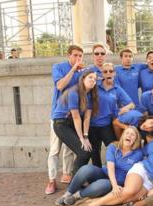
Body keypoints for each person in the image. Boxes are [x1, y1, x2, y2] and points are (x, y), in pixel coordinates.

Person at [74, 126, 153, 206]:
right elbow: (137, 152)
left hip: (151, 182)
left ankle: (95, 200)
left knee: (128, 198)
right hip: (141, 170)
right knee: (130, 190)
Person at [55, 126, 143, 206]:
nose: (129, 136)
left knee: (103, 184)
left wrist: (116, 186)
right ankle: (68, 193)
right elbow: (110, 167)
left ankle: (76, 196)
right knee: (86, 169)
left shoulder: (138, 154)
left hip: (115, 183)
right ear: (123, 136)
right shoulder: (113, 146)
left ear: (136, 140)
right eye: (127, 133)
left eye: (133, 135)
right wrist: (115, 184)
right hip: (105, 173)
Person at [45, 44, 85, 195]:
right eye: (75, 55)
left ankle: (67, 174)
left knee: (69, 149)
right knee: (55, 149)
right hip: (57, 116)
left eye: (80, 56)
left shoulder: (82, 72)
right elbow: (60, 85)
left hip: (72, 116)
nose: (78, 58)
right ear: (69, 56)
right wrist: (73, 69)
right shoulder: (58, 67)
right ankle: (51, 180)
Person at [53, 69, 98, 176]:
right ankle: (75, 181)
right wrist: (81, 139)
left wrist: (86, 136)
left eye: (95, 79)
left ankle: (78, 177)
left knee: (88, 151)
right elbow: (76, 117)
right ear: (83, 79)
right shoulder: (74, 92)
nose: (93, 80)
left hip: (72, 123)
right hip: (61, 124)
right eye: (90, 77)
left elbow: (87, 117)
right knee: (83, 152)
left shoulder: (90, 95)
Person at [88, 63, 118, 167]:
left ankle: (114, 172)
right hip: (92, 125)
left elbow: (130, 104)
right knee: (95, 152)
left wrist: (118, 111)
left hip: (106, 125)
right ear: (101, 74)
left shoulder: (116, 88)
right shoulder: (94, 86)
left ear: (114, 73)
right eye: (105, 71)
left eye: (110, 71)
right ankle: (96, 175)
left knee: (113, 149)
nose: (108, 73)